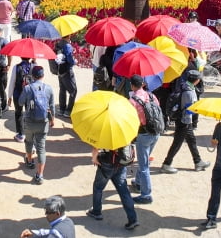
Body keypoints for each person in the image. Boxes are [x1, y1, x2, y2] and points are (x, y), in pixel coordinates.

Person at [161, 70, 208, 173]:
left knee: (192, 141)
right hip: (184, 121)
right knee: (177, 143)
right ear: (196, 80)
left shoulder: (184, 86)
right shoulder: (189, 92)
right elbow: (188, 109)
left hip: (184, 120)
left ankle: (198, 162)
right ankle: (166, 164)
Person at [86, 142, 140, 230]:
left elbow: (95, 148)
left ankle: (96, 212)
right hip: (121, 164)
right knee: (124, 191)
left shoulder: (104, 133)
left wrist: (94, 159)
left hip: (106, 164)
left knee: (98, 188)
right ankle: (133, 219)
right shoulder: (124, 132)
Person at [19, 65, 56, 184]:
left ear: (32, 76)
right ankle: (40, 175)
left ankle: (29, 161)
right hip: (43, 122)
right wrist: (52, 120)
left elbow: (20, 102)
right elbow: (52, 107)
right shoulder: (49, 89)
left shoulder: (28, 88)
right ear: (43, 75)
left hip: (29, 121)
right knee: (41, 148)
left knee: (29, 142)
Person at [127, 75, 162, 204]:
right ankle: (138, 182)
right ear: (142, 84)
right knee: (145, 159)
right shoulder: (152, 96)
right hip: (156, 131)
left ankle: (146, 194)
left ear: (132, 85)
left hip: (143, 134)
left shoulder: (133, 101)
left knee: (143, 165)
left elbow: (130, 118)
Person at [10, 55, 36, 142]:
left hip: (18, 94)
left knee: (18, 113)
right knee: (30, 113)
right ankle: (30, 133)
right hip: (30, 95)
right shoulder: (34, 67)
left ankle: (21, 134)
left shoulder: (16, 67)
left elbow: (12, 82)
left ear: (20, 56)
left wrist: (9, 96)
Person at [54, 33, 77, 117]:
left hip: (60, 70)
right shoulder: (67, 46)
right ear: (69, 35)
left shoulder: (59, 43)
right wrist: (75, 61)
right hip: (67, 71)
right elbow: (70, 60)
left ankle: (61, 109)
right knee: (73, 91)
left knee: (62, 89)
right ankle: (68, 111)